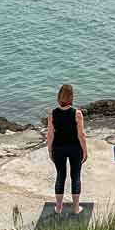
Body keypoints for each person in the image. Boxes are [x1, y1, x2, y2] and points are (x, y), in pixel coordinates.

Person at [46, 84, 88, 214]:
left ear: (59, 97)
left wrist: (49, 150)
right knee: (75, 176)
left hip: (58, 148)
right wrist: (85, 151)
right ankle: (76, 208)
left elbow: (50, 134)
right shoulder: (77, 113)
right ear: (71, 97)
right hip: (75, 148)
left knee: (60, 176)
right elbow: (81, 135)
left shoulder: (52, 113)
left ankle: (59, 208)